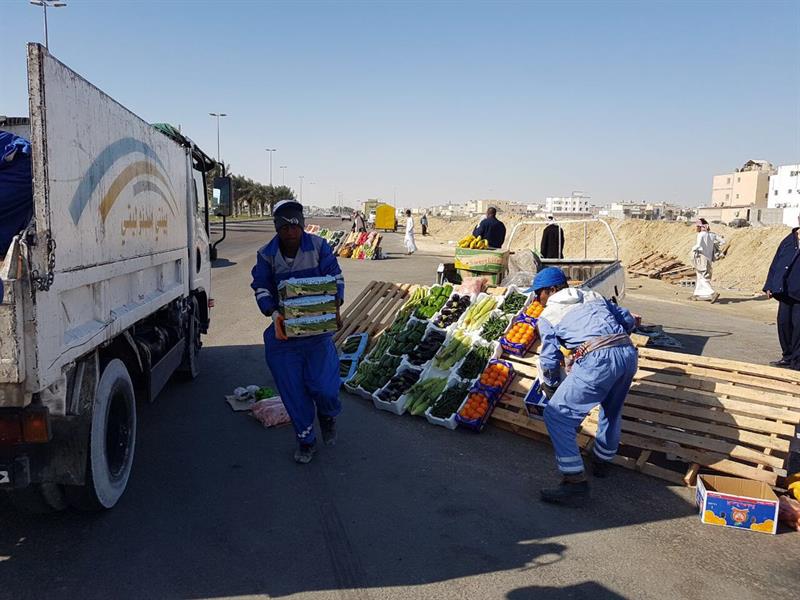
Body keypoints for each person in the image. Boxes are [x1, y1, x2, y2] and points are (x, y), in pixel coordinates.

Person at [532, 267, 639, 506]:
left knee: (556, 416)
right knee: (611, 410)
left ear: (552, 290)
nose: (537, 300)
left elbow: (549, 359)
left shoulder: (549, 315)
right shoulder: (593, 295)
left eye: (539, 294)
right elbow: (628, 320)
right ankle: (602, 461)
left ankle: (574, 483)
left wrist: (551, 385)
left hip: (598, 362)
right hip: (627, 354)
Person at [251, 200, 345, 464]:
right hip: (285, 336)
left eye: (295, 226)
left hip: (317, 334)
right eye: (284, 227)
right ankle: (306, 440)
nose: (290, 232)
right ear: (277, 228)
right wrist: (274, 314)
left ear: (302, 225)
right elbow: (261, 287)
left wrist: (335, 304)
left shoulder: (319, 247)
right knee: (293, 392)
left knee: (325, 388)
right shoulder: (266, 254)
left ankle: (327, 415)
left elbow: (336, 277)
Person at [763, 219, 800, 369]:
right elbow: (776, 263)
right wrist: (769, 285)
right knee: (784, 324)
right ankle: (788, 356)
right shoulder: (788, 240)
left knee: (798, 328)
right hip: (785, 291)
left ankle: (797, 361)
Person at [690, 218, 720, 303]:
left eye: (697, 226)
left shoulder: (701, 235)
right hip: (709, 259)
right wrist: (714, 245)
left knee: (702, 277)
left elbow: (698, 246)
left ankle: (712, 293)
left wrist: (693, 249)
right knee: (700, 277)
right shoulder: (712, 235)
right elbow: (723, 241)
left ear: (700, 226)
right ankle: (697, 295)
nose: (696, 228)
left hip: (701, 258)